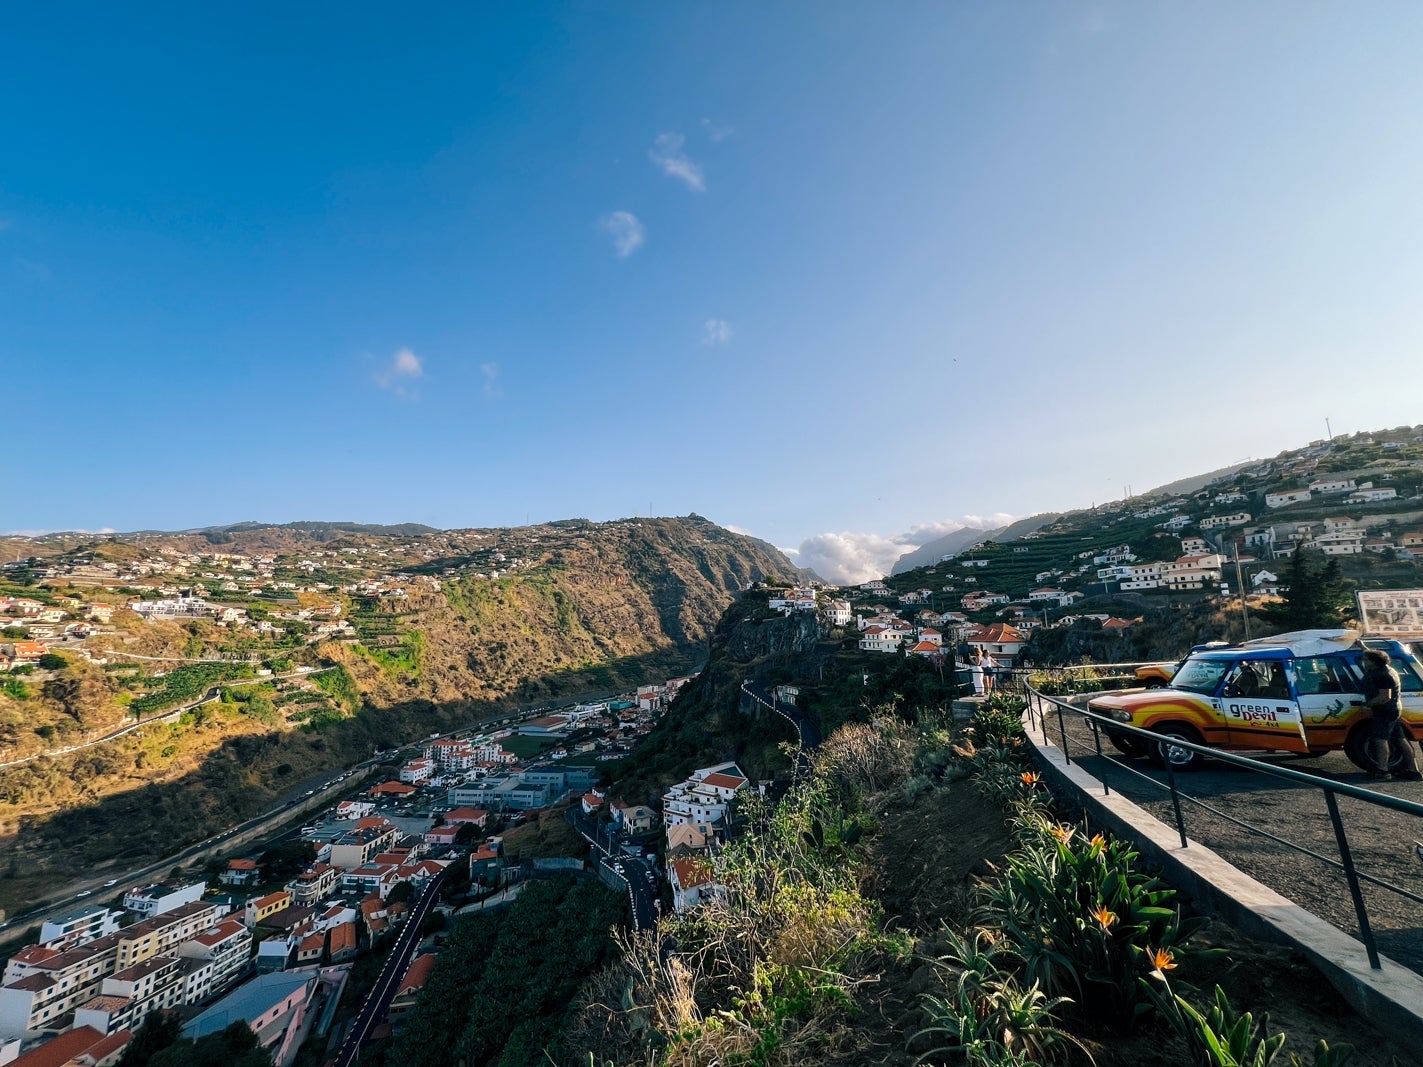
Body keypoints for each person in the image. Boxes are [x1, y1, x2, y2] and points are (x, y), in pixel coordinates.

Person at [1359, 649, 1422, 781]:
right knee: (1400, 739)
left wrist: (1368, 704)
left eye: (1366, 660)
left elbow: (1385, 696)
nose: (1363, 661)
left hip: (1385, 711)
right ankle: (1413, 770)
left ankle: (1383, 771)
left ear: (1374, 662)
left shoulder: (1382, 675)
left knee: (1380, 739)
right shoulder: (1388, 669)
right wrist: (1362, 646)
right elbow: (1372, 654)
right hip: (1393, 709)